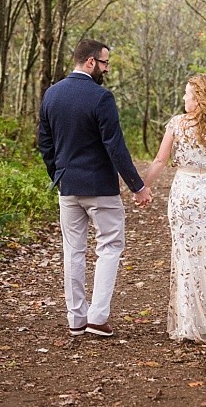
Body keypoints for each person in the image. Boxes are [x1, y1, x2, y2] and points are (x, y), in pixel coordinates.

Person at [37, 39, 153, 338]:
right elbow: (115, 146)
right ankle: (97, 318)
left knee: (73, 251)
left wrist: (59, 173)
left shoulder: (52, 94)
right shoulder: (101, 97)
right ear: (90, 62)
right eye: (105, 63)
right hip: (100, 187)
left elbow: (45, 144)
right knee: (110, 247)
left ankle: (76, 319)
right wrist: (137, 186)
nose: (107, 69)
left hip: (68, 188)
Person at [142, 73, 206, 343]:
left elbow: (160, 161)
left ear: (198, 99)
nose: (184, 98)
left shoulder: (177, 125)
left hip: (185, 195)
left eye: (187, 94)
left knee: (186, 257)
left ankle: (190, 323)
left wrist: (143, 186)